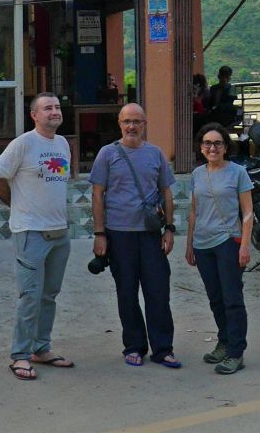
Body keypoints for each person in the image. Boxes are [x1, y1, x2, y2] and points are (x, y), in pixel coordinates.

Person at [0, 93, 75, 380]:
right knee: (30, 296)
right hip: (30, 233)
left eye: (57, 107)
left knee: (49, 295)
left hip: (59, 232)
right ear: (34, 115)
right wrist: (16, 205)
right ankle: (20, 356)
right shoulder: (23, 143)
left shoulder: (62, 144)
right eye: (47, 108)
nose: (54, 112)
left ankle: (41, 347)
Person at [89, 103, 180, 368]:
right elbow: (97, 195)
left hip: (151, 234)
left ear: (144, 124)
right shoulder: (107, 154)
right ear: (119, 124)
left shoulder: (155, 154)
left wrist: (170, 229)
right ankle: (134, 345)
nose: (131, 126)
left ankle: (163, 349)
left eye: (136, 121)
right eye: (127, 121)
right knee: (126, 293)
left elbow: (167, 193)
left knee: (158, 292)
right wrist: (99, 233)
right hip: (119, 235)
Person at [185, 122, 253, 375]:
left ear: (225, 147)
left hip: (228, 242)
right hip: (202, 245)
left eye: (217, 143)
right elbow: (194, 211)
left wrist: (244, 245)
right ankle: (224, 342)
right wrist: (189, 243)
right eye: (207, 143)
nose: (212, 147)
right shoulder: (197, 174)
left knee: (232, 299)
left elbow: (247, 212)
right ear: (201, 147)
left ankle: (236, 352)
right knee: (215, 299)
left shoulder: (237, 173)